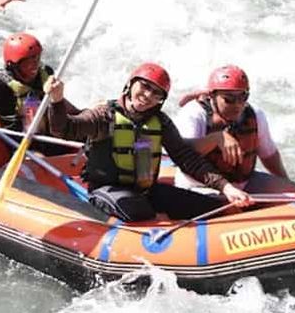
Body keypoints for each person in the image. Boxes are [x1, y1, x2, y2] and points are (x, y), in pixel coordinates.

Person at [45, 63, 252, 222]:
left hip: (146, 192)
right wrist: (57, 101)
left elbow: (187, 159)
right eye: (144, 87)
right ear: (130, 84)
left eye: (156, 94)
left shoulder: (160, 122)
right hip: (106, 191)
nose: (147, 96)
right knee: (137, 209)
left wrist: (225, 187)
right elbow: (64, 129)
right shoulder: (104, 116)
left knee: (212, 209)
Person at [174, 65, 295, 194]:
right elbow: (183, 153)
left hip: (242, 183)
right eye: (228, 99)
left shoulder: (255, 114)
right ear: (212, 96)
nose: (237, 105)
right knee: (228, 209)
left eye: (243, 97)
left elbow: (269, 155)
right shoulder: (194, 113)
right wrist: (215, 139)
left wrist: (285, 181)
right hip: (199, 186)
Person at [0, 32, 79, 133]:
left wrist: (80, 113)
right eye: (28, 62)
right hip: (16, 139)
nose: (35, 66)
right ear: (13, 65)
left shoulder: (45, 73)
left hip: (48, 133)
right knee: (38, 155)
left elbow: (57, 100)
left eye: (36, 59)